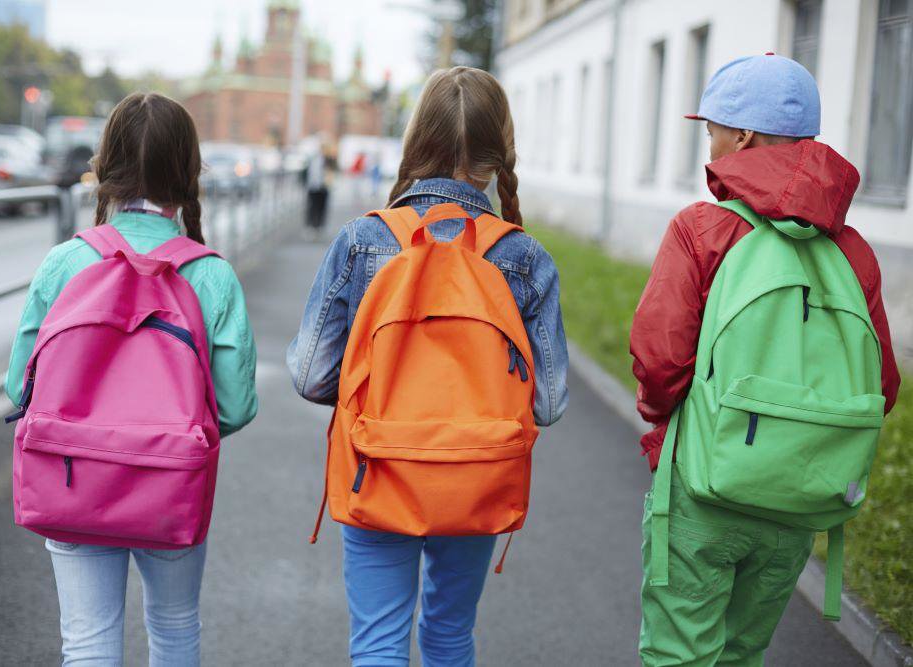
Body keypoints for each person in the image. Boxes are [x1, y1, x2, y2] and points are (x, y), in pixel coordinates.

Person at [287, 66, 569, 666]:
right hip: (475, 473)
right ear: (500, 152)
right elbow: (548, 402)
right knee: (447, 635)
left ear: (416, 139)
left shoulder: (363, 241)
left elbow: (311, 374)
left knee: (379, 643)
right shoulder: (523, 257)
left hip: (377, 465)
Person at [630, 54, 901, 666]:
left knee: (680, 653)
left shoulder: (703, 229)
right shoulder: (852, 252)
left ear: (742, 137)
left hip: (707, 488)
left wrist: (662, 421)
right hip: (804, 495)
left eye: (713, 130)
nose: (711, 143)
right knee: (742, 654)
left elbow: (658, 360)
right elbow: (882, 387)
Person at [5, 92, 258, 666]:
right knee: (173, 628)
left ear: (105, 166)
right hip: (170, 484)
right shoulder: (210, 274)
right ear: (189, 171)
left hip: (71, 479)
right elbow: (237, 406)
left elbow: (18, 387)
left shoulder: (66, 262)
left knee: (87, 639)